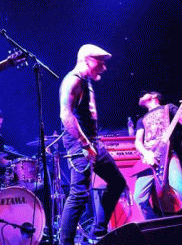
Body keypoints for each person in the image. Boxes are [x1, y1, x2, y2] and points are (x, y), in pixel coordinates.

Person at [59, 44, 126, 245]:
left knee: (117, 182)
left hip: (92, 141)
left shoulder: (86, 81)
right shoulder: (73, 80)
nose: (104, 67)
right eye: (100, 62)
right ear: (87, 60)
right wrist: (85, 144)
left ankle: (98, 232)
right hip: (79, 143)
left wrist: (92, 142)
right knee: (79, 194)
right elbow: (66, 115)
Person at [133, 91, 182, 220]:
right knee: (139, 198)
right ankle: (153, 225)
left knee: (181, 189)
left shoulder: (168, 108)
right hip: (149, 158)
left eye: (144, 94)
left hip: (168, 155)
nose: (140, 96)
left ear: (154, 95)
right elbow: (138, 142)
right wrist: (146, 153)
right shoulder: (141, 120)